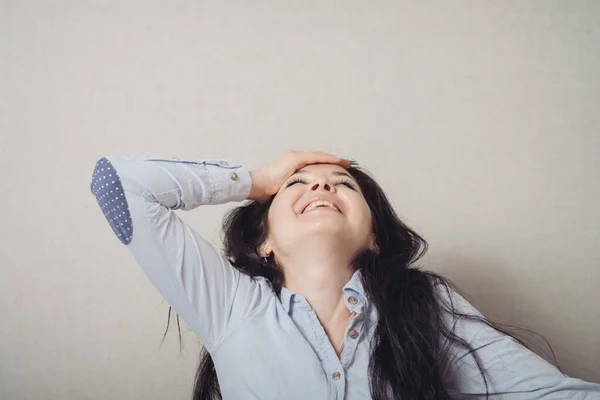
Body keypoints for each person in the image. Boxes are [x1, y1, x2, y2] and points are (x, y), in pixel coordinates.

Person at [90, 150, 600, 399]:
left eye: (343, 184)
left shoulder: (426, 306)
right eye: (298, 184)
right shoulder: (229, 305)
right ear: (263, 240)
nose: (322, 188)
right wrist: (259, 178)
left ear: (374, 236)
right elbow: (120, 184)